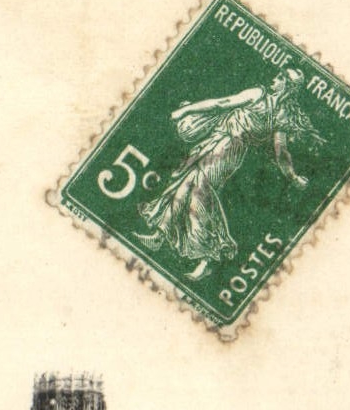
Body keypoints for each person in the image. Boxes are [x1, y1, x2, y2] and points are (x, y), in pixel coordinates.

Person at [136, 67, 320, 280]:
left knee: (198, 191)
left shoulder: (270, 105)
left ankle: (208, 255)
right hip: (216, 141)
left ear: (287, 85)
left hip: (228, 151)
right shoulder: (267, 101)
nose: (275, 78)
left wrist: (292, 176)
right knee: (184, 184)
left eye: (281, 77)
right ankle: (160, 234)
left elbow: (280, 150)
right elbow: (223, 104)